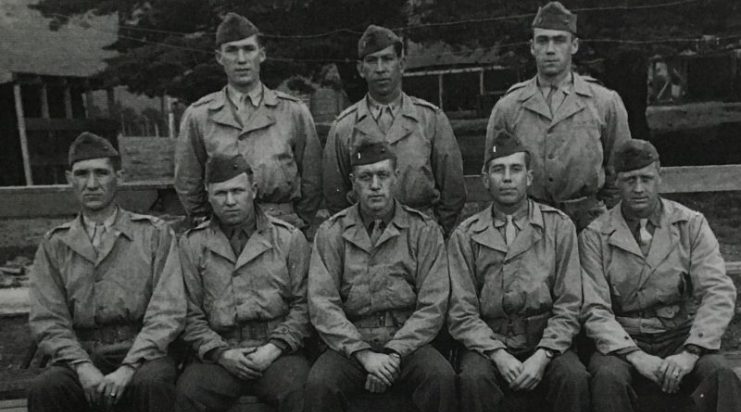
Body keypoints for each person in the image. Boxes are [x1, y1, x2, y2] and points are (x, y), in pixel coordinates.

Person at [27, 132, 185, 412]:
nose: (92, 183)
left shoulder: (152, 235)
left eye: (101, 173)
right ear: (69, 181)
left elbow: (168, 310)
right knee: (44, 392)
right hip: (84, 356)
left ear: (119, 178)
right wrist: (82, 367)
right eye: (82, 174)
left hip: (140, 352)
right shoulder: (56, 243)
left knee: (157, 385)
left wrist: (129, 367)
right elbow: (48, 320)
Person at [580, 138, 741, 412]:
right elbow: (595, 309)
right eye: (629, 180)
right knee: (605, 378)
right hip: (625, 341)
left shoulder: (690, 224)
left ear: (660, 177)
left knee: (721, 376)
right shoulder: (596, 235)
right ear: (615, 183)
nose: (638, 189)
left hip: (681, 337)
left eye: (646, 179)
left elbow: (718, 292)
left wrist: (691, 351)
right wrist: (636, 356)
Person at [305, 141, 456, 412]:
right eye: (365, 178)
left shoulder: (423, 230)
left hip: (406, 342)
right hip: (352, 346)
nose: (375, 186)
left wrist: (393, 353)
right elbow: (322, 304)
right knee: (319, 385)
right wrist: (362, 353)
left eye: (383, 176)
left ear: (396, 179)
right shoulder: (333, 232)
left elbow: (434, 303)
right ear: (352, 185)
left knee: (440, 378)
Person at [448, 130, 592, 412]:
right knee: (472, 381)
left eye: (515, 169)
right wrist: (498, 355)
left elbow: (570, 303)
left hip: (545, 337)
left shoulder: (557, 227)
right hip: (490, 342)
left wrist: (544, 355)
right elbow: (461, 310)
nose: (507, 178)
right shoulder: (466, 234)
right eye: (498, 170)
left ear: (530, 177)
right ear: (485, 179)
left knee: (574, 379)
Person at [174, 154, 312, 412]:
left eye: (238, 190)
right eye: (221, 193)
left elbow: (305, 306)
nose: (230, 200)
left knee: (298, 390)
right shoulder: (193, 244)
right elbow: (189, 314)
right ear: (208, 197)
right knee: (188, 394)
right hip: (222, 352)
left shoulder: (288, 238)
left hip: (277, 347)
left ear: (254, 190)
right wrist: (219, 353)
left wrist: (275, 347)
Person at [484, 1, 630, 231]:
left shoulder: (604, 102)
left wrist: (608, 221)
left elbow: (621, 170)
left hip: (591, 224)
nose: (550, 49)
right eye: (543, 40)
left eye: (559, 40)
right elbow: (493, 169)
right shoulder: (509, 107)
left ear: (574, 45)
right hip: (530, 224)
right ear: (532, 47)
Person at [175, 12, 322, 231]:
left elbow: (313, 176)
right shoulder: (199, 115)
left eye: (249, 49)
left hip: (281, 223)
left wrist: (301, 220)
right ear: (219, 57)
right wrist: (203, 219)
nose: (241, 59)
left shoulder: (293, 111)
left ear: (261, 55)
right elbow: (187, 179)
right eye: (232, 51)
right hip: (222, 226)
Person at [323, 25, 466, 237]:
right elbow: (335, 195)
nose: (380, 69)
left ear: (402, 64)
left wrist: (435, 232)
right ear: (361, 69)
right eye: (372, 61)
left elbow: (453, 190)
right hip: (366, 236)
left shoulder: (430, 119)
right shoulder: (344, 127)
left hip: (420, 233)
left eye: (387, 59)